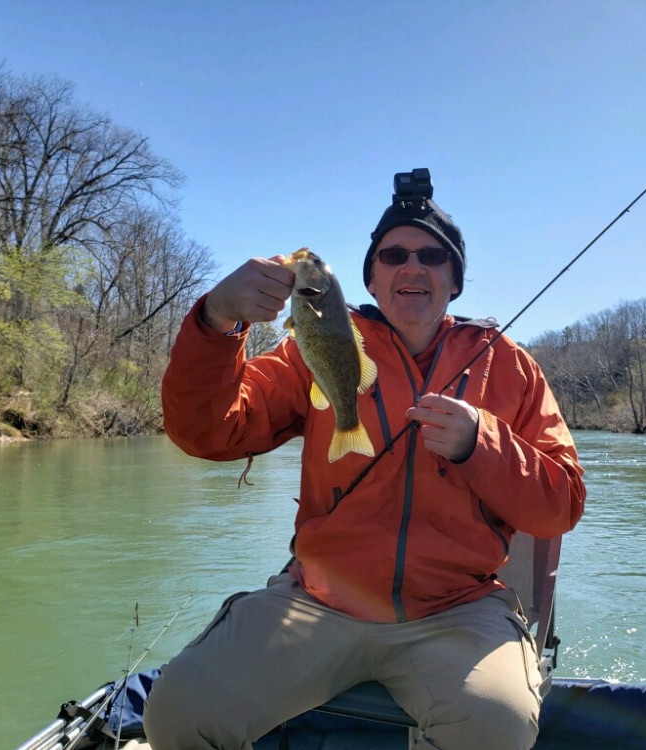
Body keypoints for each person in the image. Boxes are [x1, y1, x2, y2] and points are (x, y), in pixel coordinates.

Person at [143, 170, 586, 750]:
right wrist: (216, 322)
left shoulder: (510, 367)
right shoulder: (316, 343)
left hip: (457, 609)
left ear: (454, 280)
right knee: (178, 713)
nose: (413, 266)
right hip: (317, 600)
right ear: (372, 277)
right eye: (393, 254)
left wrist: (482, 443)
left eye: (433, 256)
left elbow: (562, 503)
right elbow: (207, 432)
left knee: (495, 729)